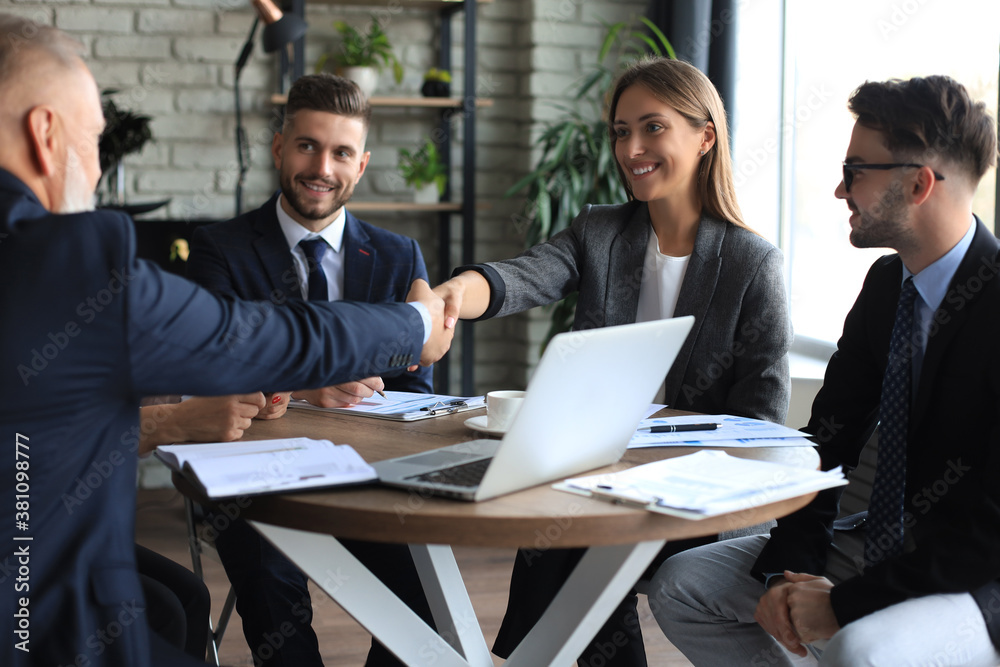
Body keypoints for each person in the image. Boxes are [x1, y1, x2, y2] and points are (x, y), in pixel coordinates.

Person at [0, 15, 451, 667]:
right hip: (39, 623)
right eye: (96, 140)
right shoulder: (72, 262)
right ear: (45, 134)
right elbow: (253, 340)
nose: (97, 169)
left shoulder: (395, 249)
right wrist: (414, 326)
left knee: (177, 598)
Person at [434, 56, 791, 666]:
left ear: (705, 136)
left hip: (695, 496)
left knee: (570, 538)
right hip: (602, 485)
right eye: (621, 131)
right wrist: (451, 297)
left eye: (653, 127)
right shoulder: (601, 232)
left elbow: (759, 425)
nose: (631, 148)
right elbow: (526, 276)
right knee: (568, 531)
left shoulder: (752, 263)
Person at [648, 75, 1000, 666]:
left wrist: (846, 603)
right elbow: (828, 440)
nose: (841, 189)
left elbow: (991, 532)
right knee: (684, 585)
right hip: (880, 544)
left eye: (856, 169)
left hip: (977, 574)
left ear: (919, 183)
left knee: (861, 646)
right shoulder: (888, 286)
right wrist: (798, 572)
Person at [177, 73, 436, 667]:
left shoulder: (399, 255)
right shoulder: (219, 247)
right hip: (254, 478)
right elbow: (209, 364)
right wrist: (305, 382)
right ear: (278, 148)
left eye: (341, 152)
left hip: (371, 477)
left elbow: (416, 388)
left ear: (361, 164)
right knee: (275, 595)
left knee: (425, 588)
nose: (322, 166)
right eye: (307, 146)